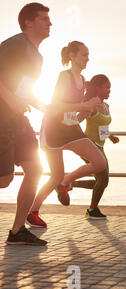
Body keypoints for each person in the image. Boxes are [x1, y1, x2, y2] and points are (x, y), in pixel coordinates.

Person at [26, 41, 106, 228]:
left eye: (88, 55)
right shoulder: (65, 76)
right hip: (53, 129)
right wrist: (83, 105)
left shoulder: (82, 80)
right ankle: (32, 212)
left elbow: (75, 114)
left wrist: (90, 111)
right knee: (54, 175)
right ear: (73, 56)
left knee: (99, 162)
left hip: (71, 128)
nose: (88, 58)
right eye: (84, 55)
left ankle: (65, 182)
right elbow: (56, 106)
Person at [1, 3, 51, 245]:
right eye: (44, 19)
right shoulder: (16, 44)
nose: (50, 23)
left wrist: (43, 105)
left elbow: (24, 87)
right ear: (28, 23)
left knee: (36, 169)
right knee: (3, 180)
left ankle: (17, 231)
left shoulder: (38, 56)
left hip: (18, 120)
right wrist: (10, 100)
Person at [71, 74, 119, 219]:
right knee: (103, 179)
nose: (109, 91)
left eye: (110, 87)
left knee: (102, 181)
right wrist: (79, 138)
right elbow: (75, 121)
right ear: (97, 88)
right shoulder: (91, 105)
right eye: (106, 87)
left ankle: (69, 183)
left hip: (100, 145)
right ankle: (92, 210)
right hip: (89, 145)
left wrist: (110, 136)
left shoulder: (106, 106)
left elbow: (102, 125)